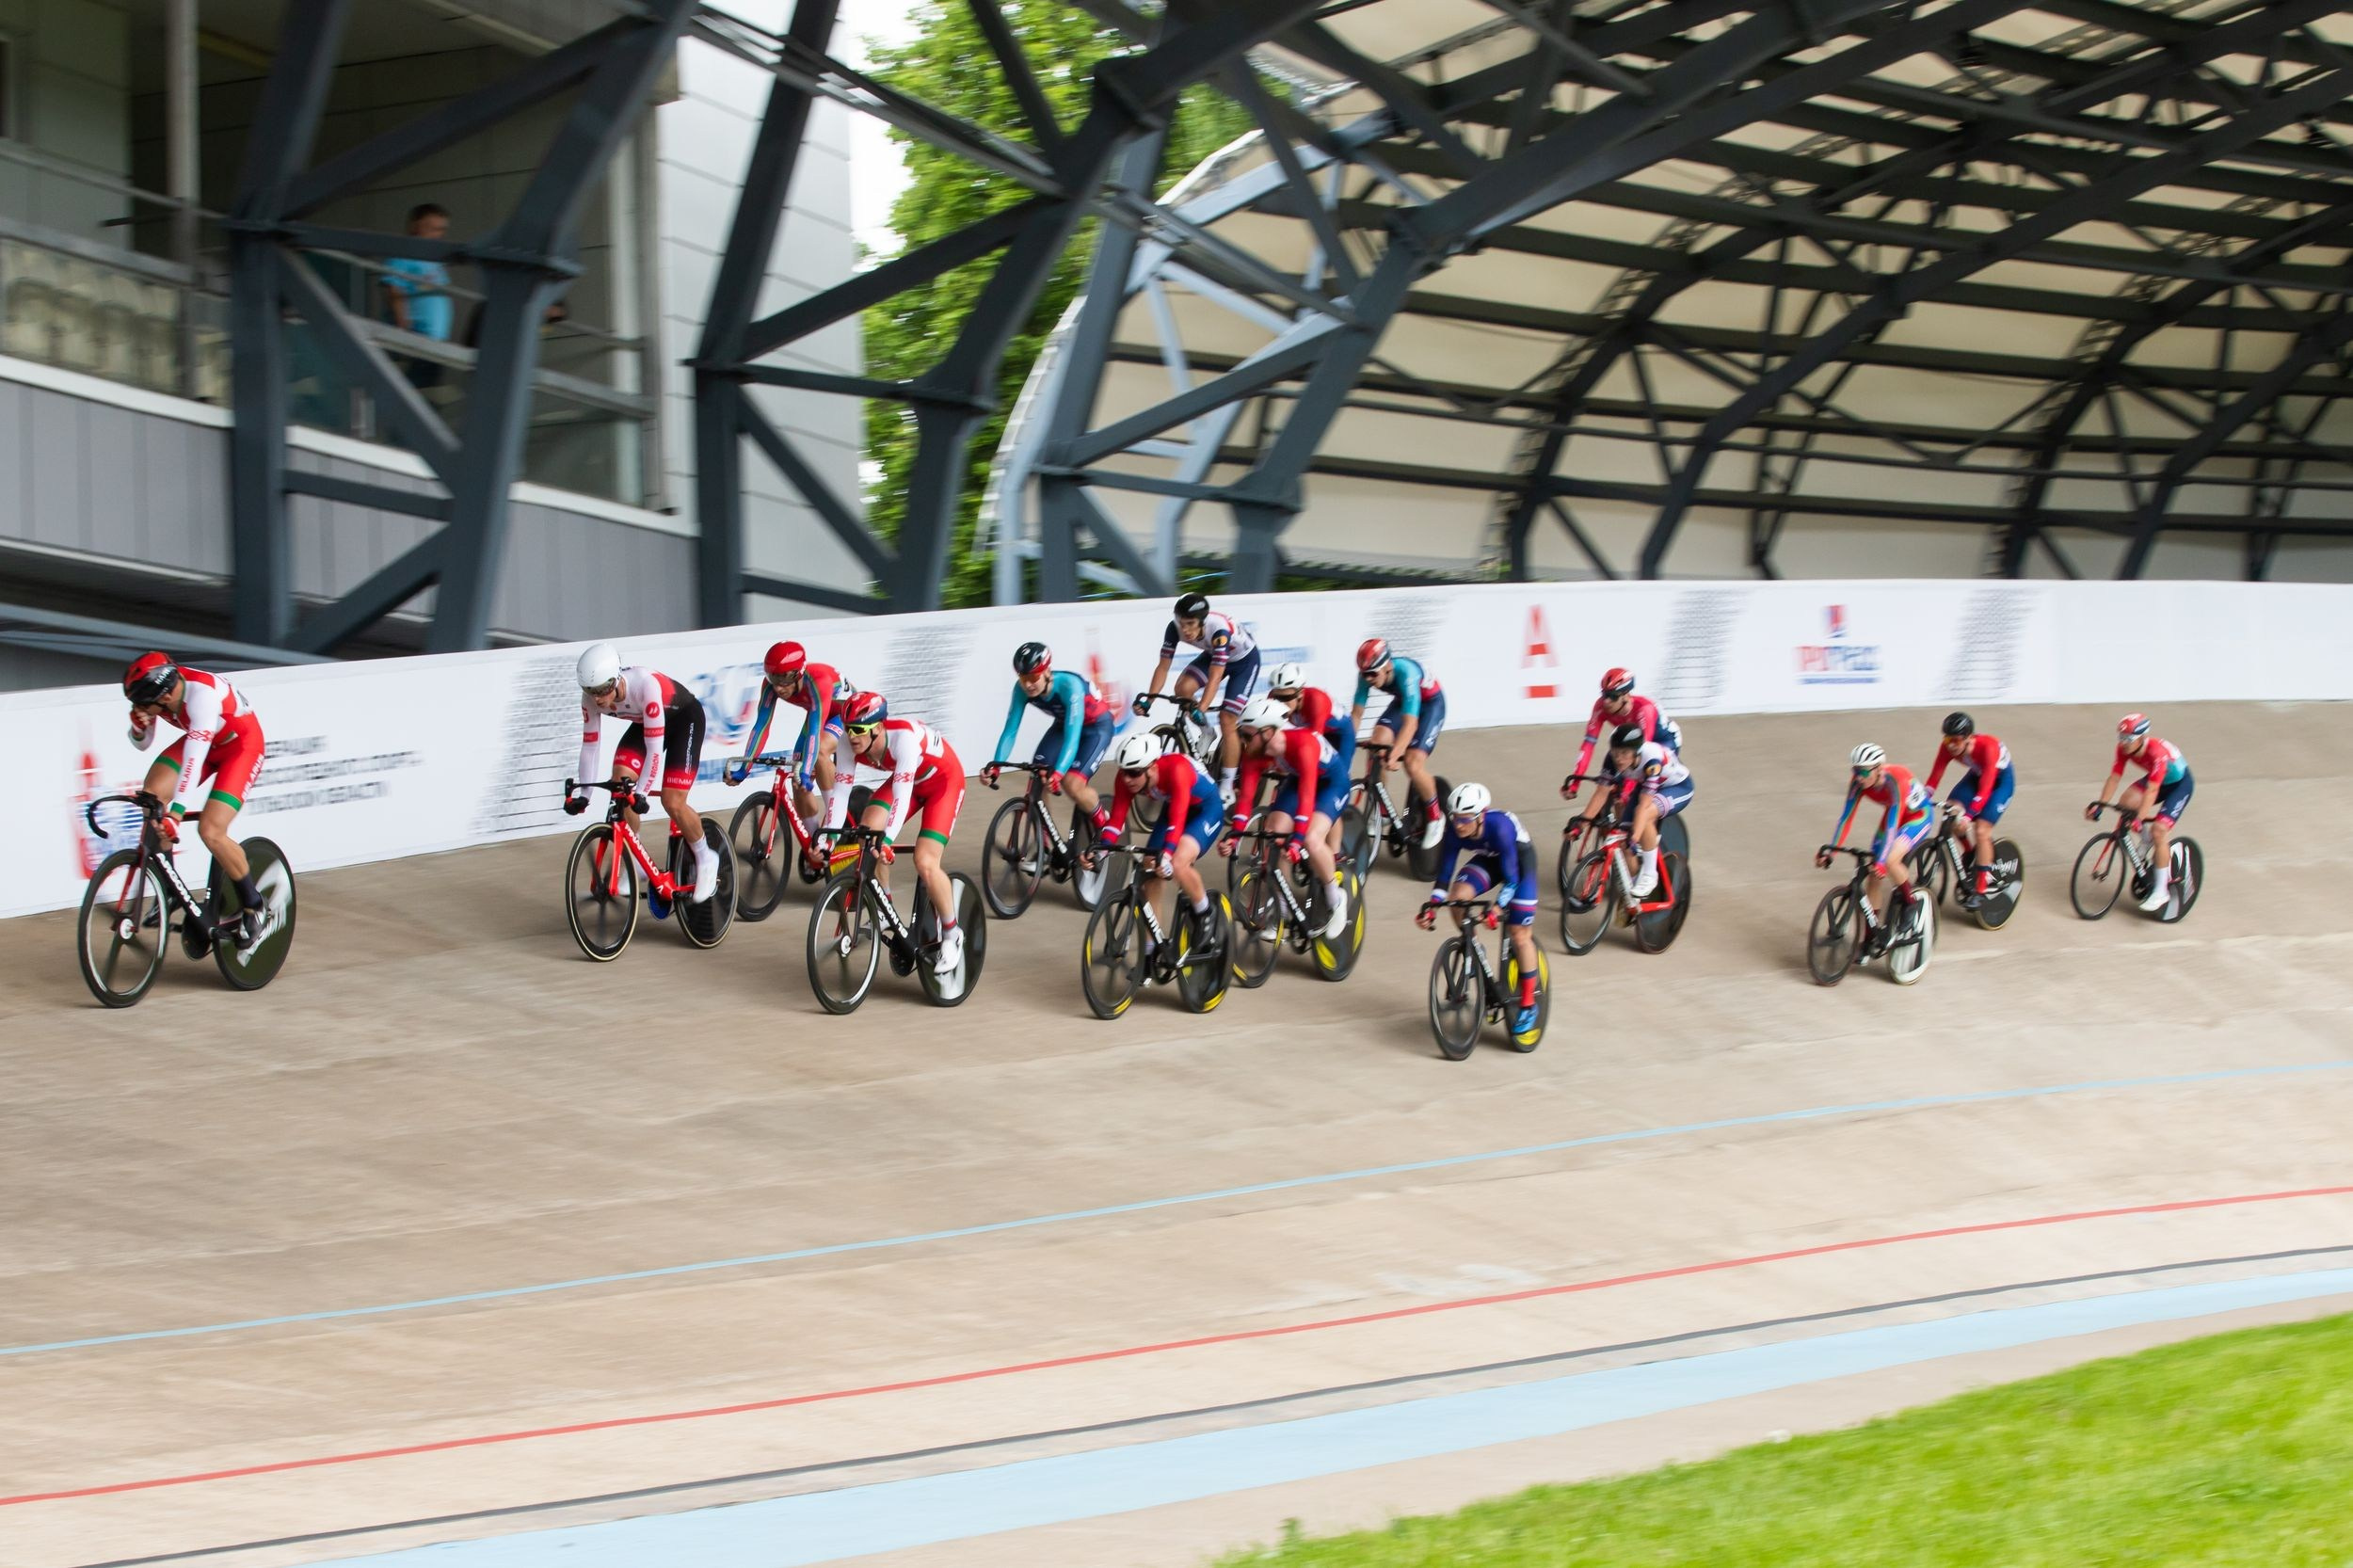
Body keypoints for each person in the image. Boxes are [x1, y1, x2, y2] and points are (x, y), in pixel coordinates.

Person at [121, 652, 272, 945]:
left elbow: (193, 760)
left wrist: (176, 815)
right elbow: (143, 744)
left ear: (163, 697)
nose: (139, 707)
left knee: (211, 831)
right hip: (204, 742)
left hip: (240, 747)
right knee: (152, 799)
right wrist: (139, 727)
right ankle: (170, 890)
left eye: (141, 703)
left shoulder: (201, 697)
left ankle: (254, 905)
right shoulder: (164, 691)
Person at [567, 642, 717, 904]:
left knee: (672, 800)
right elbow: (590, 746)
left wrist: (643, 792)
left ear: (615, 680)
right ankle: (634, 862)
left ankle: (706, 856)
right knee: (620, 786)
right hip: (645, 724)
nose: (598, 698)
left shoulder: (644, 686)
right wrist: (585, 794)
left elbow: (655, 749)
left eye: (602, 690)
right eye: (590, 691)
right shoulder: (590, 699)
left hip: (684, 720)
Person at [827, 692, 968, 972]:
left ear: (878, 727)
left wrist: (888, 841)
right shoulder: (847, 743)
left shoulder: (903, 740)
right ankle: (884, 904)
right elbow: (839, 795)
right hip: (911, 781)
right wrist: (829, 838)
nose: (851, 736)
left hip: (943, 783)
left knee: (925, 862)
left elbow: (901, 798)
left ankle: (952, 933)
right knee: (868, 834)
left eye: (858, 730)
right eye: (847, 728)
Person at [1417, 782, 1541, 1035]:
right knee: (1458, 896)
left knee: (1519, 934)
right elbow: (1445, 872)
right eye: (1455, 818)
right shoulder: (1455, 830)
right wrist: (1433, 906)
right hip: (1489, 859)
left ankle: (1529, 1003)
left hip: (1518, 865)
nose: (1459, 824)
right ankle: (1473, 946)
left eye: (1465, 819)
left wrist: (1496, 909)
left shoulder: (1501, 828)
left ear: (1481, 815)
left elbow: (1512, 879)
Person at [1223, 697, 1347, 938]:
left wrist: (1297, 839)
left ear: (1268, 732)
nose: (1244, 742)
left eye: (1248, 736)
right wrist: (1235, 836)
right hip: (1298, 779)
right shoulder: (1256, 753)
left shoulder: (1303, 744)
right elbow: (1246, 798)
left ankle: (1336, 898)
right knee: (1273, 833)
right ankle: (1281, 910)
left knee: (1311, 839)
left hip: (1331, 784)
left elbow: (1308, 796)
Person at [1096, 732, 1225, 961]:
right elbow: (1116, 820)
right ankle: (1150, 949)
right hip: (1174, 806)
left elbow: (1177, 820)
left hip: (1205, 809)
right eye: (1123, 772)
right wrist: (1101, 849)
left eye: (1134, 773)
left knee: (1177, 863)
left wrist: (1166, 855)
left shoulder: (1176, 771)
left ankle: (1205, 912)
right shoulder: (1127, 778)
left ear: (1152, 768)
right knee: (1149, 868)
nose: (1127, 779)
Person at [726, 641, 856, 856]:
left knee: (820, 752)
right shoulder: (771, 686)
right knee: (797, 776)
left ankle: (835, 826)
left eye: (784, 680)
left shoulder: (818, 681)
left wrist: (807, 770)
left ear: (799, 673)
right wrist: (745, 767)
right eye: (773, 679)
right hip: (818, 715)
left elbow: (815, 729)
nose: (778, 687)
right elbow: (761, 726)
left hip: (846, 715)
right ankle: (816, 843)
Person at [1138, 591, 1259, 799]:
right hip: (1213, 655)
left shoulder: (1219, 631)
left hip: (1244, 662)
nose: (1185, 630)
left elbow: (1215, 676)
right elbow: (1163, 667)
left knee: (1227, 719)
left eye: (1190, 624)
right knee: (1183, 689)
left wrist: (1201, 708)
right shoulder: (1174, 628)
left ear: (1202, 621)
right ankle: (1207, 732)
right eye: (1181, 623)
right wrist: (1149, 700)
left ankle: (1227, 787)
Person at [1817, 742, 1931, 951]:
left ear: (1879, 769)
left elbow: (1892, 825)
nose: (1858, 776)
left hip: (1917, 817)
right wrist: (1832, 851)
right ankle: (1870, 938)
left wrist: (1881, 861)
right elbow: (1846, 818)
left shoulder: (1895, 781)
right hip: (1895, 816)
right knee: (1872, 876)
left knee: (1888, 860)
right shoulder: (1858, 783)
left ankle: (1911, 903)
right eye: (1855, 770)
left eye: (1863, 771)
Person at [984, 641, 1114, 819]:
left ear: (1046, 671)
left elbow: (1072, 738)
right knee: (1038, 776)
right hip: (1063, 725)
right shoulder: (1020, 690)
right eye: (1023, 679)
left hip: (1096, 728)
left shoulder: (1070, 687)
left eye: (1033, 678)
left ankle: (1103, 826)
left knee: (1072, 784)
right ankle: (1043, 841)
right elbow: (1010, 731)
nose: (1028, 685)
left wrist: (1059, 773)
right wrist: (996, 766)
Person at [1573, 720, 1695, 898]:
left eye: (1624, 753)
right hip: (1645, 786)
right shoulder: (1612, 759)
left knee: (1643, 818)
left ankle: (1649, 875)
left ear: (1637, 752)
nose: (1619, 759)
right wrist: (1581, 824)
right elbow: (1601, 792)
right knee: (1623, 840)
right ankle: (1635, 886)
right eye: (1616, 753)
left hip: (1678, 787)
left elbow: (1644, 806)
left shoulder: (1652, 760)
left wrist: (1635, 836)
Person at [1349, 638, 1446, 850]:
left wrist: (1396, 754)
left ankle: (1436, 817)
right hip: (1403, 701)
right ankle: (1380, 812)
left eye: (1373, 674)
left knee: (1412, 763)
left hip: (1430, 705)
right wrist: (1345, 747)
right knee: (1378, 740)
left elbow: (1410, 724)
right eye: (1365, 674)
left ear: (1387, 666)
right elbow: (1356, 715)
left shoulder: (1407, 673)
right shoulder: (1366, 675)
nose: (1369, 679)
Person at [2091, 712, 2192, 911]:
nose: (2124, 743)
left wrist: (2139, 818)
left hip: (2179, 785)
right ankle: (2145, 838)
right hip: (2160, 780)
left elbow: (2152, 790)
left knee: (2159, 831)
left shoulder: (2157, 753)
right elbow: (2114, 777)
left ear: (2143, 737)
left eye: (2129, 738)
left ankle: (2161, 892)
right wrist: (2101, 804)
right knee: (2126, 803)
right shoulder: (2123, 749)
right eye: (2121, 738)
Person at [1922, 712, 2014, 905]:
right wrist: (1922, 800)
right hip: (1976, 776)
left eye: (1955, 740)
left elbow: (1987, 786)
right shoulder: (1947, 747)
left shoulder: (1987, 747)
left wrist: (1970, 815)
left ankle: (1980, 890)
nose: (1951, 744)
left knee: (1981, 830)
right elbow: (1935, 777)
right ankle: (1970, 851)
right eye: (1947, 739)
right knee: (1951, 811)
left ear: (1969, 738)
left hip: (2000, 782)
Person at [1267, 661, 1353, 855]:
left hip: (1336, 737)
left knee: (1325, 787)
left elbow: (1314, 744)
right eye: (1277, 696)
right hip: (1307, 735)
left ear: (1300, 693)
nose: (1280, 702)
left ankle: (1334, 851)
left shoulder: (1316, 701)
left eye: (1286, 697)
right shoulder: (1274, 701)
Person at [1564, 667, 1680, 798]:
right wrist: (1575, 784)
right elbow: (1588, 745)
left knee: (1640, 788)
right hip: (1633, 743)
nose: (1606, 701)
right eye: (1604, 695)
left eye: (1613, 696)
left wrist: (1627, 789)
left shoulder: (1644, 709)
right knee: (1612, 784)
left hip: (1664, 741)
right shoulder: (1600, 707)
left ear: (1626, 695)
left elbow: (1641, 753)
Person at [382, 202, 454, 390]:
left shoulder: (434, 261)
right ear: (415, 226)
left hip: (435, 341)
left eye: (441, 230)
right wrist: (403, 326)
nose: (437, 234)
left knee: (427, 390)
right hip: (416, 338)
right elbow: (394, 288)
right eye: (431, 229)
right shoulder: (404, 255)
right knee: (414, 392)